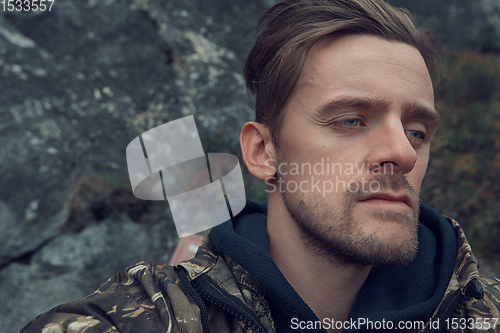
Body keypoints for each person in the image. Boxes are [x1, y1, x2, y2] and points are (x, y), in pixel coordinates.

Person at [21, 0, 500, 332]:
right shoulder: (141, 317)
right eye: (351, 119)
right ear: (262, 153)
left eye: (418, 130)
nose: (404, 152)